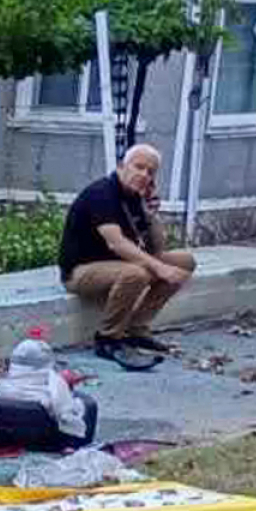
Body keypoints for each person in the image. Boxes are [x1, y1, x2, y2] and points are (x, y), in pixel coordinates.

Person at [57, 144, 196, 371]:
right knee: (138, 272)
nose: (144, 175)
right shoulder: (102, 193)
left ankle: (136, 329)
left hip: (116, 265)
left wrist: (151, 214)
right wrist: (160, 269)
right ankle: (108, 339)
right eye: (138, 167)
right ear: (122, 166)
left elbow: (157, 247)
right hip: (80, 271)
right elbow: (116, 242)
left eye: (150, 172)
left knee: (184, 261)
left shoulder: (134, 198)